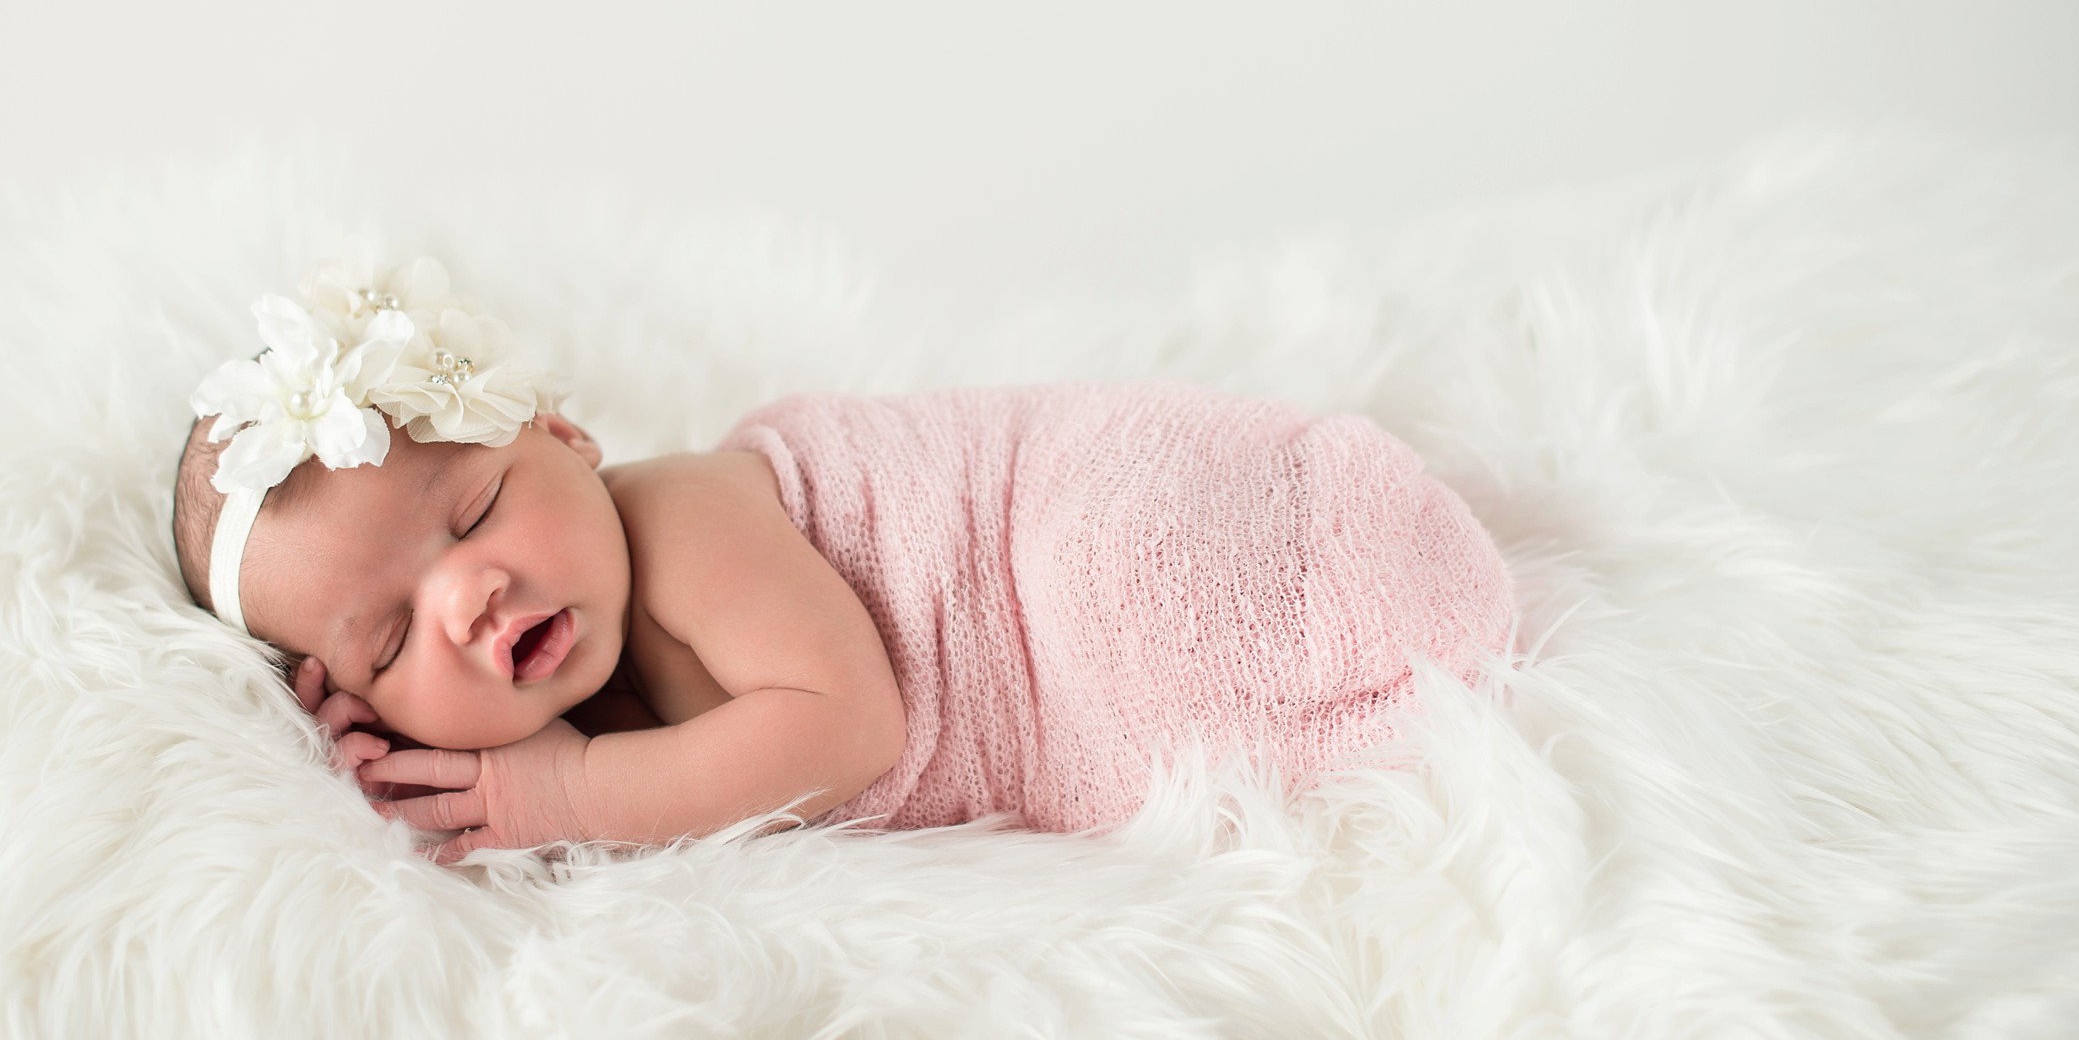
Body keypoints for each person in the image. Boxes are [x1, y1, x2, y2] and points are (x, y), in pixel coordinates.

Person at [172, 259, 1516, 865]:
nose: (465, 600)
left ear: (569, 436)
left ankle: (1338, 587)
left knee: (1115, 565)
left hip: (1068, 513)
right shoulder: (568, 690)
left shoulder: (680, 518)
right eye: (388, 643)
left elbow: (848, 724)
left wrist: (562, 793)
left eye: (471, 517)